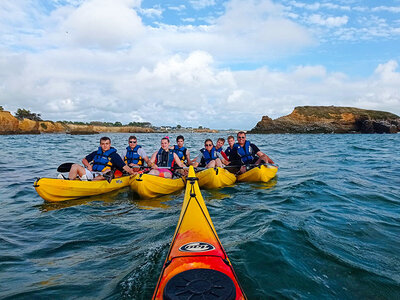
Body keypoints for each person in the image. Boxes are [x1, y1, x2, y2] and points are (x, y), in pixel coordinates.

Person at [68, 136, 135, 180]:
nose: (105, 146)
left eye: (107, 144)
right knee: (75, 166)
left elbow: (124, 166)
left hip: (102, 176)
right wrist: (88, 166)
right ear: (100, 145)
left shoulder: (114, 156)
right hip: (91, 173)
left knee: (108, 171)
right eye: (103, 144)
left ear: (110, 144)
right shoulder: (96, 153)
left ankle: (89, 182)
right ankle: (69, 182)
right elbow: (84, 160)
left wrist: (132, 173)